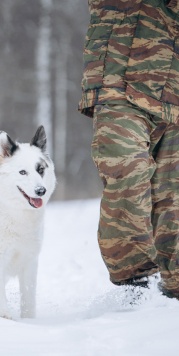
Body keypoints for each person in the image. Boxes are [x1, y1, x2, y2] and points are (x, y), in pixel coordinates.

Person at [79, 0, 179, 299]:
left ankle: (173, 293)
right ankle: (134, 287)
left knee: (172, 199)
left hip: (173, 92)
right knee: (128, 171)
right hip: (117, 81)